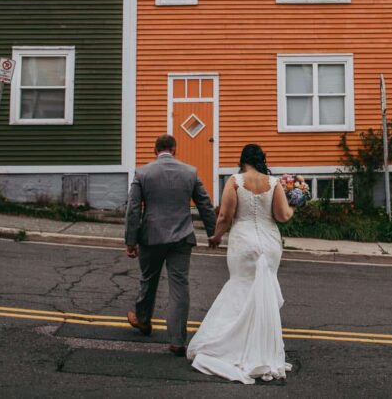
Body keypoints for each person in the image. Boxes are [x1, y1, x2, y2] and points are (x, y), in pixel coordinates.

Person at [187, 143, 295, 384]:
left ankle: (230, 345)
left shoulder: (235, 181)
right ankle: (260, 348)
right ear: (260, 160)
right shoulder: (274, 183)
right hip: (269, 243)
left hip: (244, 242)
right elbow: (282, 216)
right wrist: (295, 205)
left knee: (240, 288)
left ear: (243, 160)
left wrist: (216, 236)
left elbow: (225, 215)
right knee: (262, 292)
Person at [124, 133, 217, 356]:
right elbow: (205, 204)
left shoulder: (143, 173)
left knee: (149, 279)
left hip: (151, 236)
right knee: (179, 286)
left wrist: (130, 240)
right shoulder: (190, 172)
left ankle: (144, 320)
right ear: (174, 150)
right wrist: (213, 233)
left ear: (155, 151)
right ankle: (177, 340)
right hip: (182, 237)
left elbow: (133, 209)